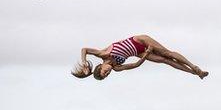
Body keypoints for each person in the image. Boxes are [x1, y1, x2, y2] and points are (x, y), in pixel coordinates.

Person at [71, 35, 208, 80]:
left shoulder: (103, 53)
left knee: (167, 54)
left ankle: (193, 65)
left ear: (100, 66)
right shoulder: (117, 68)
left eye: (105, 71)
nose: (108, 72)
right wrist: (147, 54)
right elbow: (134, 65)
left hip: (139, 41)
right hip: (140, 53)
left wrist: (84, 63)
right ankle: (195, 73)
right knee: (165, 61)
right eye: (107, 75)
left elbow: (85, 49)